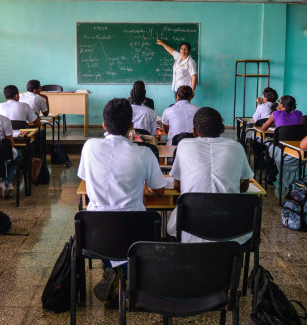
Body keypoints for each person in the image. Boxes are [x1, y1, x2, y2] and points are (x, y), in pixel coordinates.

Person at [77, 98, 166, 306]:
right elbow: (158, 189)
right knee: (131, 232)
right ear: (131, 126)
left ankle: (115, 272)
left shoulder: (89, 146)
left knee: (109, 228)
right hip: (133, 233)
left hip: (93, 235)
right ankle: (125, 275)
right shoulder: (143, 152)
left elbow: (84, 176)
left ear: (104, 125)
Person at [167, 107, 254, 242]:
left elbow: (178, 185)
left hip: (190, 229)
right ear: (222, 129)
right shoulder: (237, 147)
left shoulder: (184, 145)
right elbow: (244, 186)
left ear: (195, 132)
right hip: (232, 231)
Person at [262, 95, 303, 188]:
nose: (277, 103)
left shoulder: (275, 114)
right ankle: (271, 175)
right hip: (295, 148)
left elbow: (264, 128)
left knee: (269, 150)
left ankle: (270, 175)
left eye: (279, 102)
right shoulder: (299, 114)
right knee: (281, 154)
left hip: (280, 147)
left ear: (283, 105)